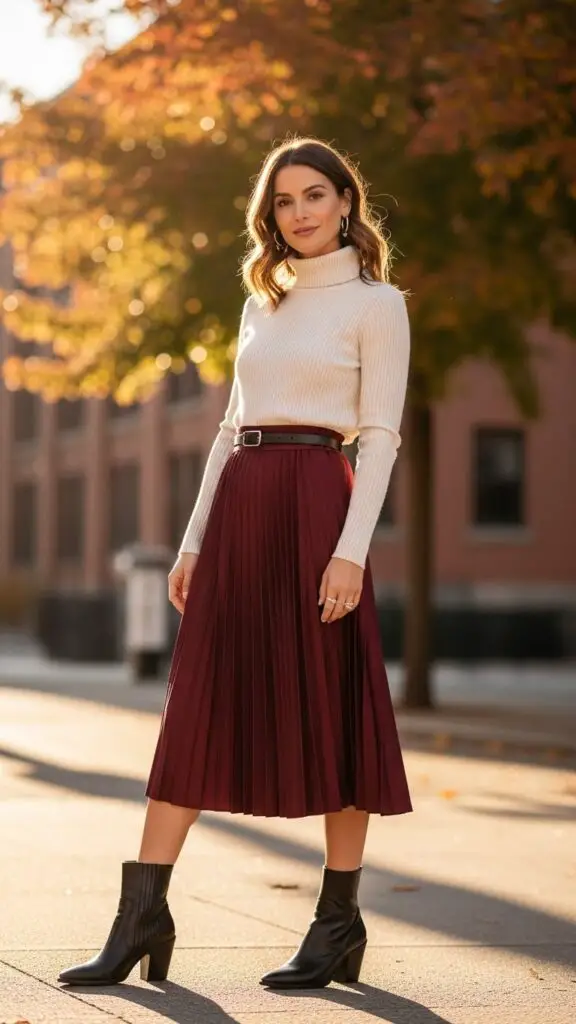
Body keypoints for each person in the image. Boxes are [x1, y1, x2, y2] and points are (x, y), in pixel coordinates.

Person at [58, 136, 413, 991]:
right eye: (284, 201)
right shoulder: (264, 299)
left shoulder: (378, 302)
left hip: (317, 507)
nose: (299, 213)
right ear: (270, 215)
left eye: (315, 196)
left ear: (345, 203)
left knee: (333, 706)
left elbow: (381, 436)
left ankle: (337, 922)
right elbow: (227, 427)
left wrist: (350, 554)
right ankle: (141, 914)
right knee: (196, 706)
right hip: (245, 506)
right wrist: (191, 543)